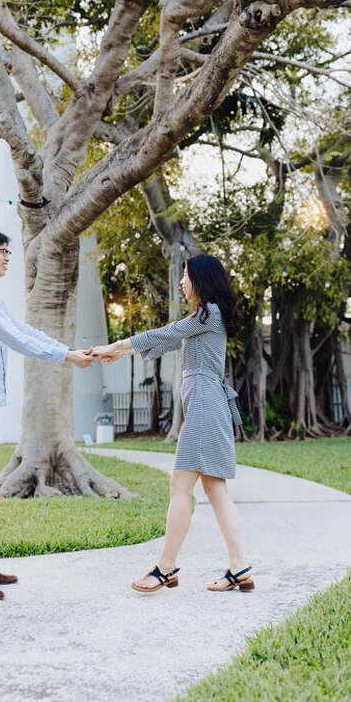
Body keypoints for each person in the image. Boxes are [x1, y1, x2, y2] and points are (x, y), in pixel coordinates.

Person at [92, 254, 254, 594]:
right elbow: (167, 340)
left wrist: (115, 347)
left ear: (201, 280)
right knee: (215, 490)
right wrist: (118, 351)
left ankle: (165, 568)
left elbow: (164, 332)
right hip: (208, 404)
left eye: (186, 276)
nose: (182, 282)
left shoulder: (207, 314)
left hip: (206, 406)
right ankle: (239, 567)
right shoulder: (210, 315)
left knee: (180, 488)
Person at [0, 227, 93, 601]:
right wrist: (67, 356)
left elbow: (20, 329)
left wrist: (67, 349)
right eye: (2, 251)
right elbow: (16, 339)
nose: (8, 257)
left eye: (9, 251)